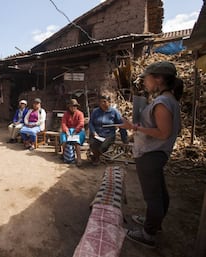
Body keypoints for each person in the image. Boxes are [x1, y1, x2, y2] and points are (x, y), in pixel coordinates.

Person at [120, 61, 183, 248]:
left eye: (146, 78)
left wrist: (134, 127)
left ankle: (148, 234)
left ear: (159, 79)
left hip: (151, 154)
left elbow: (163, 132)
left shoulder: (163, 103)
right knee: (160, 192)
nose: (145, 83)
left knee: (152, 197)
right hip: (156, 153)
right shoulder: (168, 100)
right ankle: (155, 223)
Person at [88, 95, 128, 165]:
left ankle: (96, 157)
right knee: (92, 143)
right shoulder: (95, 111)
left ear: (109, 102)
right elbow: (91, 123)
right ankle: (96, 157)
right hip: (97, 133)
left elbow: (121, 124)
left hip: (109, 134)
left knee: (103, 147)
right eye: (100, 102)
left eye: (104, 102)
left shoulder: (114, 112)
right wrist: (93, 132)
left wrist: (124, 138)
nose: (102, 104)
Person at [60, 99, 86, 166]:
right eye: (72, 106)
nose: (73, 107)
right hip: (68, 130)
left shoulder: (80, 114)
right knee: (64, 140)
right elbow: (63, 123)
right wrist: (66, 131)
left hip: (79, 131)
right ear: (69, 107)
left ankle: (79, 159)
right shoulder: (66, 114)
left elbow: (81, 124)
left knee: (76, 142)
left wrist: (75, 131)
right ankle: (64, 154)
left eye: (75, 106)